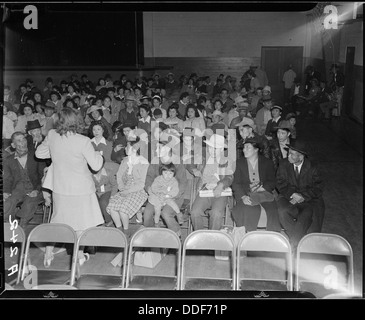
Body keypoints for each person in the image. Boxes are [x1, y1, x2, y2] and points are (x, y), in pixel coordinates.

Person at [35, 107, 105, 267]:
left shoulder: (52, 135)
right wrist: (100, 156)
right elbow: (96, 166)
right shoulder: (83, 140)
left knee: (58, 222)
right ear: (77, 121)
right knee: (81, 225)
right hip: (81, 190)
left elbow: (39, 154)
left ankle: (48, 254)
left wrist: (55, 154)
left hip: (60, 188)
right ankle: (78, 257)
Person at [276, 140, 325, 249]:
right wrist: (293, 194)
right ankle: (299, 242)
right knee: (282, 211)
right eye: (289, 153)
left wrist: (303, 196)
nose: (288, 156)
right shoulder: (283, 164)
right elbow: (280, 183)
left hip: (309, 199)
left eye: (292, 154)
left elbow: (318, 187)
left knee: (307, 214)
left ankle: (294, 244)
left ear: (301, 157)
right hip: (288, 196)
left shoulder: (313, 167)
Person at [231, 136, 281, 232]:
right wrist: (243, 197)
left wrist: (264, 187)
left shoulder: (267, 163)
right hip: (246, 194)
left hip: (264, 194)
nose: (244, 150)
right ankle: (247, 238)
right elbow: (236, 183)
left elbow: (272, 181)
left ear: (256, 149)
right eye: (244, 148)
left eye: (248, 147)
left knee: (272, 210)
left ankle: (272, 238)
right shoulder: (238, 163)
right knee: (251, 210)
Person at [187, 134, 235, 231]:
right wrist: (193, 169)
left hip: (220, 192)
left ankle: (212, 238)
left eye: (215, 148)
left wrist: (221, 185)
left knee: (216, 213)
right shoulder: (204, 157)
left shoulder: (226, 160)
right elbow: (189, 162)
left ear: (221, 149)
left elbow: (229, 177)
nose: (211, 150)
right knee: (195, 212)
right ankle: (199, 235)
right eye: (210, 147)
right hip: (204, 190)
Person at [143, 141, 188, 237]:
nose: (156, 150)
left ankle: (176, 235)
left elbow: (183, 183)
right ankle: (152, 236)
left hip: (173, 195)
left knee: (166, 213)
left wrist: (171, 195)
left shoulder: (177, 162)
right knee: (147, 214)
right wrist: (150, 190)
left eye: (159, 148)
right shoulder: (155, 160)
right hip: (156, 195)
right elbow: (149, 178)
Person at [106, 140, 149, 238]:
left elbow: (141, 184)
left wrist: (127, 191)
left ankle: (126, 231)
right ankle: (119, 229)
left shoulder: (143, 162)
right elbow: (119, 176)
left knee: (123, 209)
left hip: (138, 190)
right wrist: (121, 188)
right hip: (125, 188)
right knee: (112, 206)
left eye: (127, 147)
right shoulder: (125, 160)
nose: (125, 149)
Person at [3, 132, 45, 228]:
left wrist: (37, 190)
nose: (23, 142)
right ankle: (10, 227)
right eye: (19, 140)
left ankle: (22, 229)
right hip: (19, 189)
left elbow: (43, 176)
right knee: (8, 203)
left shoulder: (36, 155)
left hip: (36, 188)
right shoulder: (9, 160)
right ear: (13, 145)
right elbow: (8, 179)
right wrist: (6, 191)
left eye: (24, 139)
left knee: (30, 202)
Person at [147, 163, 183, 227]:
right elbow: (154, 187)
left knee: (172, 203)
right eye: (165, 173)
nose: (168, 176)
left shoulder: (174, 181)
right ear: (161, 172)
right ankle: (156, 223)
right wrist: (159, 193)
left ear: (174, 174)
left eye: (170, 173)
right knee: (157, 210)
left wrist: (169, 195)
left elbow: (175, 190)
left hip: (167, 196)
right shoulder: (158, 179)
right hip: (157, 196)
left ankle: (179, 215)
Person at [92, 161, 119, 227]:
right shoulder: (89, 174)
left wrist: (112, 196)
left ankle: (109, 220)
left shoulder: (108, 173)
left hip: (107, 191)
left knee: (103, 202)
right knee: (93, 202)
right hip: (95, 191)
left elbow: (115, 185)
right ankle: (97, 220)